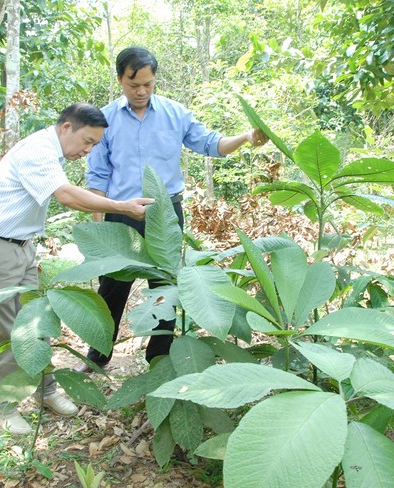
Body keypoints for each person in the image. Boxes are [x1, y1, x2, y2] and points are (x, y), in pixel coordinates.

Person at [0, 102, 153, 435]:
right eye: (87, 141)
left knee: (36, 323)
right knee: (2, 331)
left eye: (94, 144)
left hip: (20, 247)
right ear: (67, 128)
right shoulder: (38, 150)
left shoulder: (52, 152)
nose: (88, 150)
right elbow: (66, 195)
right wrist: (120, 206)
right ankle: (2, 407)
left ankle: (45, 391)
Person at [77, 46, 268, 372]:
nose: (141, 92)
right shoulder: (105, 120)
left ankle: (159, 358)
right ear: (120, 79)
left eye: (148, 85)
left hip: (165, 214)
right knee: (111, 287)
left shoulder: (175, 114)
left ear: (155, 80)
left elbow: (212, 144)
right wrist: (98, 231)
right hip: (121, 213)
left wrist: (246, 137)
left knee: (164, 288)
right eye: (133, 85)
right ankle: (98, 356)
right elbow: (98, 178)